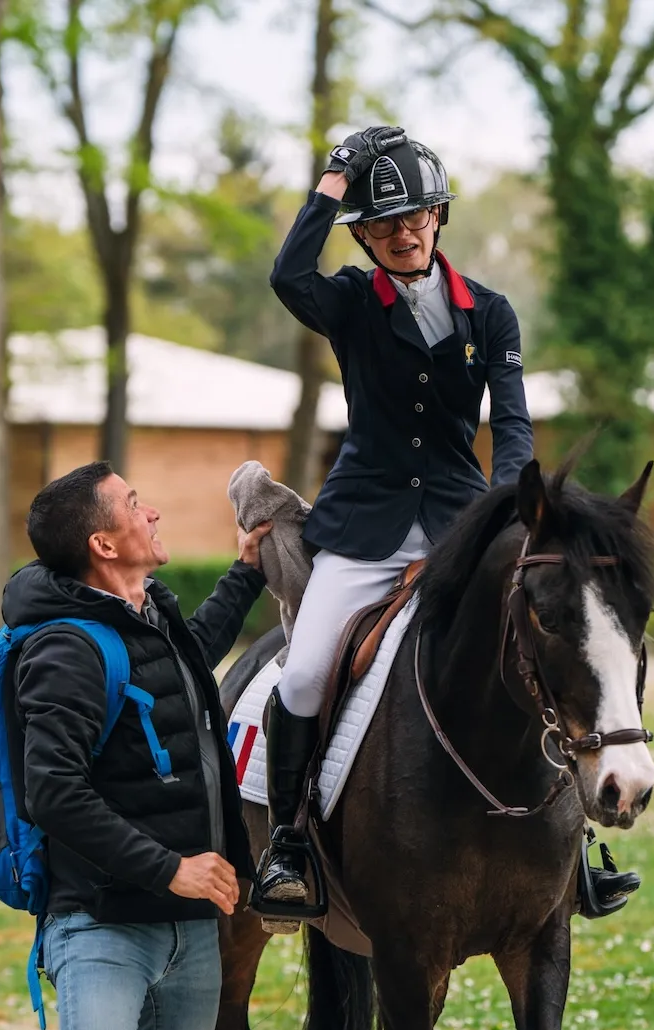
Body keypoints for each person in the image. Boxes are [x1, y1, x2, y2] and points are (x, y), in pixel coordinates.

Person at [252, 123, 542, 923]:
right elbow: (286, 273)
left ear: (440, 215)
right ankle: (287, 841)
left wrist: (511, 501)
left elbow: (511, 422)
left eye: (415, 218)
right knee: (306, 673)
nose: (403, 234)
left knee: (532, 658)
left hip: (460, 525)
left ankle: (570, 848)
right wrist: (334, 180)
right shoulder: (348, 300)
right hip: (365, 528)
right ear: (367, 236)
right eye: (384, 225)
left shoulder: (491, 313)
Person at [9, 462, 269, 1030]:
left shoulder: (149, 615)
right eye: (133, 504)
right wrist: (171, 866)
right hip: (101, 923)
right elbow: (49, 791)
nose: (151, 509)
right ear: (103, 541)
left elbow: (193, 655)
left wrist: (248, 572)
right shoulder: (63, 646)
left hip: (188, 927)